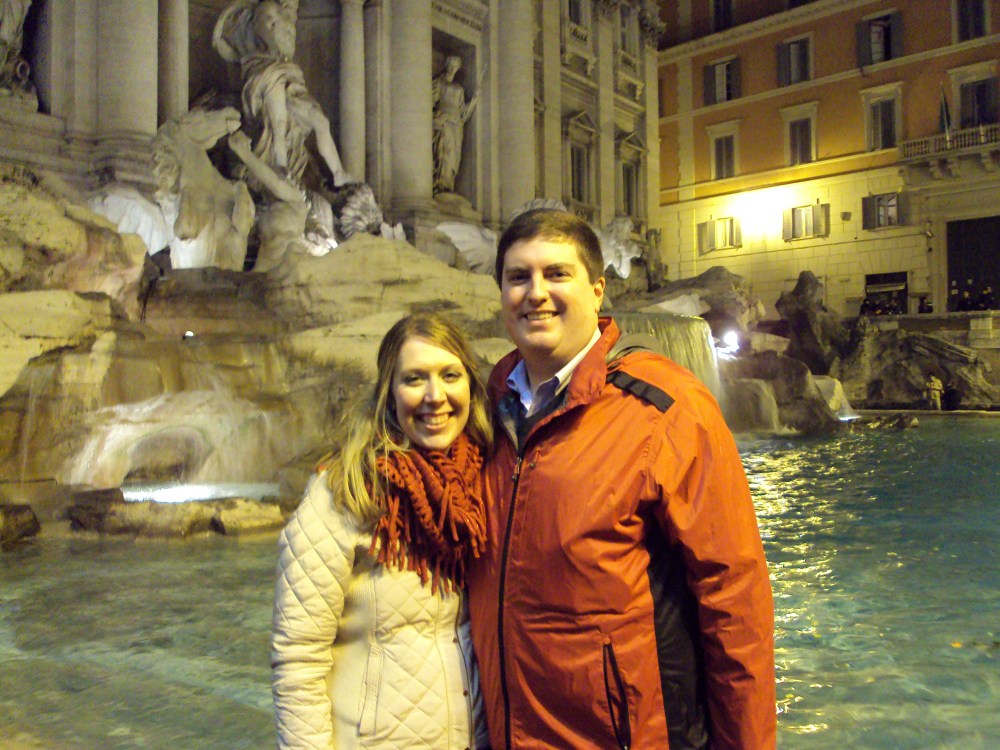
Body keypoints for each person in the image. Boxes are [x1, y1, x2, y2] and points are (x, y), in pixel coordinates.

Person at [467, 208, 776, 750]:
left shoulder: (666, 407)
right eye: (518, 277)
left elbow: (735, 601)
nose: (535, 292)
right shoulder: (488, 408)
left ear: (597, 290)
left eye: (557, 274)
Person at [271, 312, 492, 749]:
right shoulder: (345, 491)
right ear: (389, 395)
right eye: (414, 379)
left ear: (470, 385)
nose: (435, 396)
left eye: (450, 375)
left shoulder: (486, 483)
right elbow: (298, 657)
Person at [213, 0, 353, 191]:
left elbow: (286, 44)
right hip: (267, 70)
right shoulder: (268, 7)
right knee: (277, 125)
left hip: (287, 73)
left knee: (321, 122)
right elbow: (265, 32)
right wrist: (276, 43)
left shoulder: (287, 14)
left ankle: (338, 173)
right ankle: (281, 171)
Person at [432, 55, 482, 194]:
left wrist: (474, 99)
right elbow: (429, 102)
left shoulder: (459, 89)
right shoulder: (439, 84)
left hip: (456, 125)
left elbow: (462, 111)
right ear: (446, 66)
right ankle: (440, 184)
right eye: (450, 65)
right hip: (444, 122)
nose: (452, 69)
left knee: (454, 156)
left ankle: (448, 184)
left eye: (455, 67)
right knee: (445, 153)